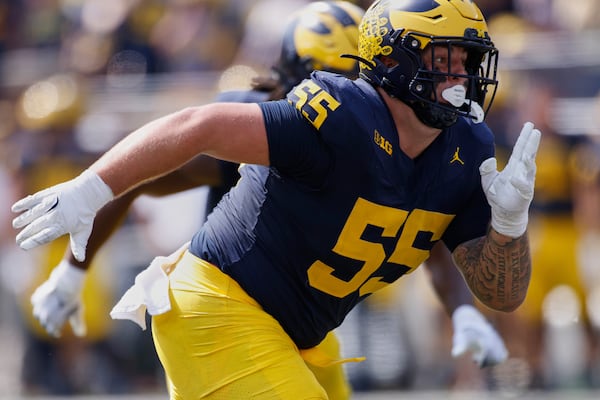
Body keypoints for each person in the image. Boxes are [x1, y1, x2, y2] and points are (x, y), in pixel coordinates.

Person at [12, 0, 540, 398]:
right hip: (223, 304)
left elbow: (502, 290)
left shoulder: (467, 146)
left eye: (468, 61)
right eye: (445, 58)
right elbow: (196, 127)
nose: (462, 77)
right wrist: (87, 200)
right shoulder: (340, 117)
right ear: (393, 61)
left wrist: (509, 228)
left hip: (300, 327)